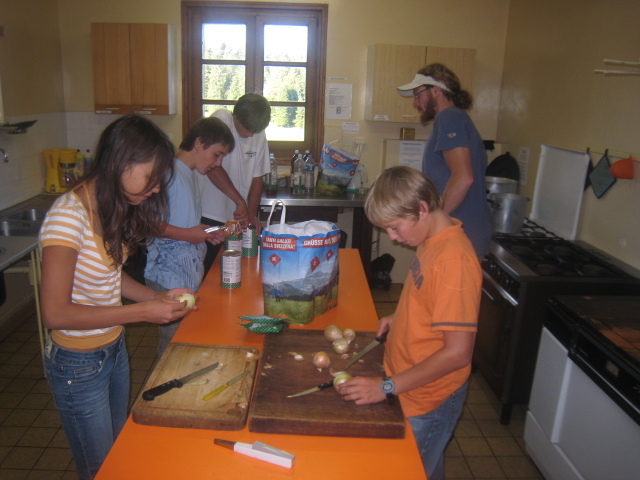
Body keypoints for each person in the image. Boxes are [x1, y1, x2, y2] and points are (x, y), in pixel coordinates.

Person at [39, 114, 198, 480]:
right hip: (77, 364)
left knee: (116, 455)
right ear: (121, 163)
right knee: (99, 470)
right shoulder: (67, 218)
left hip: (113, 350)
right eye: (151, 177)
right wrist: (142, 312)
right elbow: (55, 313)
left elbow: (111, 276)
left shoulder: (110, 206)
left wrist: (157, 297)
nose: (155, 189)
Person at [336, 166, 481, 480]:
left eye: (394, 227)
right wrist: (400, 317)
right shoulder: (432, 238)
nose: (392, 237)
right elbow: (428, 298)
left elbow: (458, 354)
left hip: (427, 397)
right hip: (407, 380)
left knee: (414, 469)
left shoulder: (454, 260)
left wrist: (386, 387)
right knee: (426, 463)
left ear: (422, 209)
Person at [144, 116, 234, 357]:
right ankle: (164, 381)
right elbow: (147, 222)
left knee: (182, 342)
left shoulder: (190, 175)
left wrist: (204, 233)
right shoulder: (168, 174)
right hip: (167, 279)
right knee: (173, 346)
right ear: (199, 142)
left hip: (185, 277)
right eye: (217, 154)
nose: (218, 163)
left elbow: (182, 222)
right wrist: (188, 234)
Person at [397, 63, 493, 257]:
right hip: (462, 234)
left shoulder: (449, 117)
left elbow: (463, 177)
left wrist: (434, 222)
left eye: (417, 95)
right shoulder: (456, 119)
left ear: (436, 91)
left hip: (458, 236)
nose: (415, 103)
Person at [197, 93, 271, 275]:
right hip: (208, 214)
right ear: (235, 116)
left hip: (235, 219)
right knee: (206, 273)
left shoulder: (258, 132)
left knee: (232, 272)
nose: (251, 134)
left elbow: (257, 178)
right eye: (247, 129)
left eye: (254, 131)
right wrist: (240, 202)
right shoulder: (222, 119)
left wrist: (250, 216)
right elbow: (212, 168)